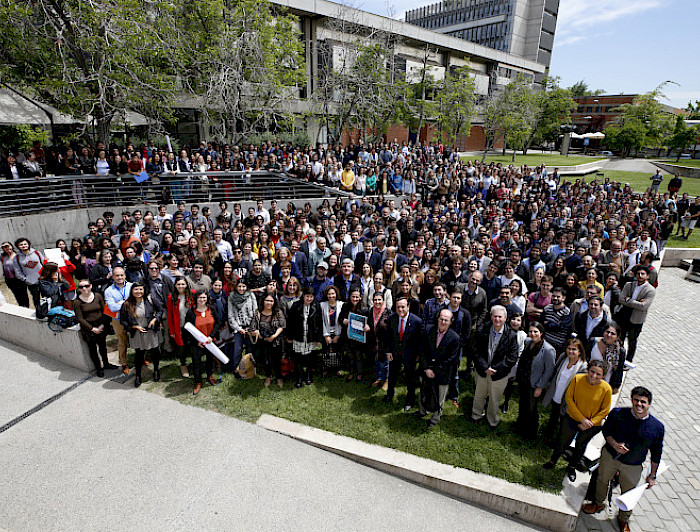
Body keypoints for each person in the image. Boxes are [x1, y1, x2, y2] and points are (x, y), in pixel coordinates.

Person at [582, 386, 665, 532]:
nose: (639, 404)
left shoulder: (656, 427)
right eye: (636, 400)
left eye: (643, 402)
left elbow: (656, 452)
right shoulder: (618, 413)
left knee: (629, 492)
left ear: (649, 404)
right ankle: (598, 503)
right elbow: (606, 430)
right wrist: (614, 444)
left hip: (633, 465)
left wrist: (652, 475)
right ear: (632, 400)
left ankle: (623, 518)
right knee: (602, 480)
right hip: (610, 456)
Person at [544, 359, 612, 482]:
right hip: (572, 418)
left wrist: (589, 423)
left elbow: (605, 410)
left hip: (592, 425)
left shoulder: (606, 389)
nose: (594, 376)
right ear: (588, 370)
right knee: (562, 440)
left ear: (603, 376)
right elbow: (569, 398)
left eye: (598, 374)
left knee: (580, 445)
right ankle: (552, 461)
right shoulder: (577, 379)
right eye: (592, 372)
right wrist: (582, 419)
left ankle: (571, 467)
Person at [471, 305, 519, 428]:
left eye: (500, 317)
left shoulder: (512, 335)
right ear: (491, 316)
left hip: (499, 374)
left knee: (494, 398)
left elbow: (512, 358)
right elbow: (475, 350)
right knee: (479, 395)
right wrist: (485, 367)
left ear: (505, 318)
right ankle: (476, 415)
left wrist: (495, 368)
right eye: (495, 316)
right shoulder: (482, 329)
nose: (497, 319)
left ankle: (492, 419)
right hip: (482, 370)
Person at [415, 309, 460, 428]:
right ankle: (423, 411)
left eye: (446, 320)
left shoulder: (454, 338)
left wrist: (434, 371)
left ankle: (436, 418)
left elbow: (451, 359)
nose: (443, 322)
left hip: (442, 373)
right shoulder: (428, 330)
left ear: (450, 322)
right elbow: (422, 350)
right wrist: (426, 368)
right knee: (424, 392)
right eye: (441, 319)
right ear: (437, 319)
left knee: (439, 397)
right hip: (426, 370)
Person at [515, 322, 556, 440]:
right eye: (531, 331)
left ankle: (531, 433)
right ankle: (520, 426)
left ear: (541, 333)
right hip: (524, 380)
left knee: (531, 409)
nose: (532, 334)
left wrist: (540, 387)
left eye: (535, 332)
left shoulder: (548, 350)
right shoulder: (528, 342)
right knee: (523, 405)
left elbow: (549, 371)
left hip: (535, 384)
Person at [542, 338, 588, 442]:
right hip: (556, 394)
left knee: (563, 421)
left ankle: (558, 440)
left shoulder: (583, 367)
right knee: (553, 416)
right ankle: (548, 435)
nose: (571, 351)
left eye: (574, 349)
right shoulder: (563, 357)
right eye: (569, 348)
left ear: (580, 351)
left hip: (567, 399)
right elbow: (555, 372)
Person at [119, 282, 163, 387]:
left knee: (155, 352)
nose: (139, 292)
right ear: (132, 291)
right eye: (136, 289)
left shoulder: (150, 299)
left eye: (141, 289)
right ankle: (138, 375)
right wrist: (134, 326)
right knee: (139, 355)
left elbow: (160, 310)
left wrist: (155, 319)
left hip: (151, 331)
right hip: (138, 333)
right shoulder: (127, 304)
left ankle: (156, 370)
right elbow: (123, 321)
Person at [384, 297, 423, 409]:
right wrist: (388, 351)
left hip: (409, 355)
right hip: (394, 353)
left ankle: (409, 400)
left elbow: (420, 341)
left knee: (410, 379)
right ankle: (389, 395)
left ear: (408, 307)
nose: (400, 309)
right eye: (398, 307)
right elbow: (388, 337)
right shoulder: (392, 318)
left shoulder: (417, 321)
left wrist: (417, 356)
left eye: (403, 307)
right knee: (392, 376)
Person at [74, 279, 116, 377]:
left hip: (100, 326)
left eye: (86, 286)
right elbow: (80, 318)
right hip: (88, 329)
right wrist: (92, 329)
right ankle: (98, 368)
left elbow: (105, 311)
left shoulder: (98, 296)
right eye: (81, 287)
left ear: (91, 286)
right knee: (92, 350)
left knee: (103, 347)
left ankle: (106, 364)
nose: (84, 289)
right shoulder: (77, 302)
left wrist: (102, 325)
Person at [617, 265, 656, 362]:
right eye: (638, 274)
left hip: (637, 319)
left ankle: (628, 361)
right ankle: (617, 357)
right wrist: (637, 303)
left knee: (632, 341)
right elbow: (621, 299)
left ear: (647, 276)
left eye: (643, 274)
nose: (640, 276)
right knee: (619, 338)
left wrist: (629, 300)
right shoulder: (629, 285)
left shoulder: (650, 290)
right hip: (624, 315)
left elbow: (643, 306)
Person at [287, 287, 323, 387]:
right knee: (298, 358)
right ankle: (299, 377)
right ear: (303, 296)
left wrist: (319, 339)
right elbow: (290, 322)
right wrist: (289, 336)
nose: (309, 299)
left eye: (311, 297)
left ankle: (308, 376)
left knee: (310, 358)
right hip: (299, 336)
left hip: (311, 337)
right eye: (307, 296)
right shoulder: (295, 305)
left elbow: (320, 323)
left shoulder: (317, 306)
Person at [186, 291, 221, 394]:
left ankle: (209, 375)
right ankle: (198, 382)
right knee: (196, 362)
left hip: (210, 341)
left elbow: (218, 323)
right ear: (196, 299)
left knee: (210, 360)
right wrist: (197, 341)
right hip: (197, 344)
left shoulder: (212, 309)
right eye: (200, 298)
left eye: (204, 298)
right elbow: (188, 329)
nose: (202, 300)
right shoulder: (191, 312)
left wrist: (211, 336)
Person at [249, 293, 286, 388]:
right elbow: (252, 328)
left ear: (274, 302)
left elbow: (282, 326)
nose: (269, 303)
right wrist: (259, 335)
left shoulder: (277, 312)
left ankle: (279, 377)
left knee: (277, 360)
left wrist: (274, 336)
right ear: (263, 301)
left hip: (275, 340)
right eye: (267, 300)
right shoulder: (258, 312)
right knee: (266, 360)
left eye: (271, 301)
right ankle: (268, 377)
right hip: (263, 341)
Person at [227, 278, 258, 373]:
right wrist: (238, 328)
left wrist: (251, 326)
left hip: (249, 327)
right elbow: (230, 315)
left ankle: (250, 368)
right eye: (239, 286)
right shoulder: (231, 297)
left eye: (243, 286)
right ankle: (237, 369)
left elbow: (255, 311)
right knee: (238, 349)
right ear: (236, 287)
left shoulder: (251, 295)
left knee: (250, 348)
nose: (241, 288)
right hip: (238, 327)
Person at [587, 322, 626, 394]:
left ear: (617, 336)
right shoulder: (593, 342)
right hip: (588, 379)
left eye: (612, 333)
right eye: (607, 332)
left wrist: (616, 386)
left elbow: (619, 370)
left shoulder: (619, 352)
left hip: (604, 384)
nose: (609, 335)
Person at [338, 288, 368, 382]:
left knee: (358, 356)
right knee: (350, 355)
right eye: (353, 297)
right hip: (348, 336)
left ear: (360, 297)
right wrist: (343, 320)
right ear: (349, 297)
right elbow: (340, 318)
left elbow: (368, 322)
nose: (355, 299)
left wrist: (366, 326)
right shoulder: (345, 306)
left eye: (357, 297)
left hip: (359, 338)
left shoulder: (364, 309)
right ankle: (351, 372)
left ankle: (359, 373)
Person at [367, 290, 391, 388]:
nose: (377, 302)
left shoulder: (388, 312)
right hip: (374, 341)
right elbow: (369, 323)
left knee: (386, 362)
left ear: (383, 300)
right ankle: (379, 378)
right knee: (377, 361)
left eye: (379, 300)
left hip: (385, 342)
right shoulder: (371, 311)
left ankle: (387, 380)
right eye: (375, 300)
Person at [12, 238, 44, 308]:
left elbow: (44, 263)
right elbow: (17, 271)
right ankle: (40, 313)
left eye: (25, 244)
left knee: (47, 298)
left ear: (28, 244)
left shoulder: (37, 253)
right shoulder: (16, 258)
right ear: (18, 246)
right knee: (36, 299)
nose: (23, 246)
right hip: (31, 283)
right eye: (21, 245)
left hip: (43, 280)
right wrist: (26, 279)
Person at [320, 285, 343, 377]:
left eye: (333, 294)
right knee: (325, 351)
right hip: (327, 332)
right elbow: (321, 321)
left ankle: (338, 368)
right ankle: (325, 368)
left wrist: (337, 335)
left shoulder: (341, 305)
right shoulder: (322, 305)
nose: (331, 296)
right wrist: (326, 335)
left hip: (338, 332)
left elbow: (341, 321)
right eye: (329, 294)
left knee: (338, 351)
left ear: (336, 294)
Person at [1, 241, 29, 307]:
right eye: (5, 247)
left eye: (8, 246)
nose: (7, 248)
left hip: (19, 278)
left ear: (11, 246)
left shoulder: (18, 255)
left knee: (24, 294)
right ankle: (21, 307)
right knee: (17, 295)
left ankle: (27, 307)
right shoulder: (2, 257)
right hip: (10, 280)